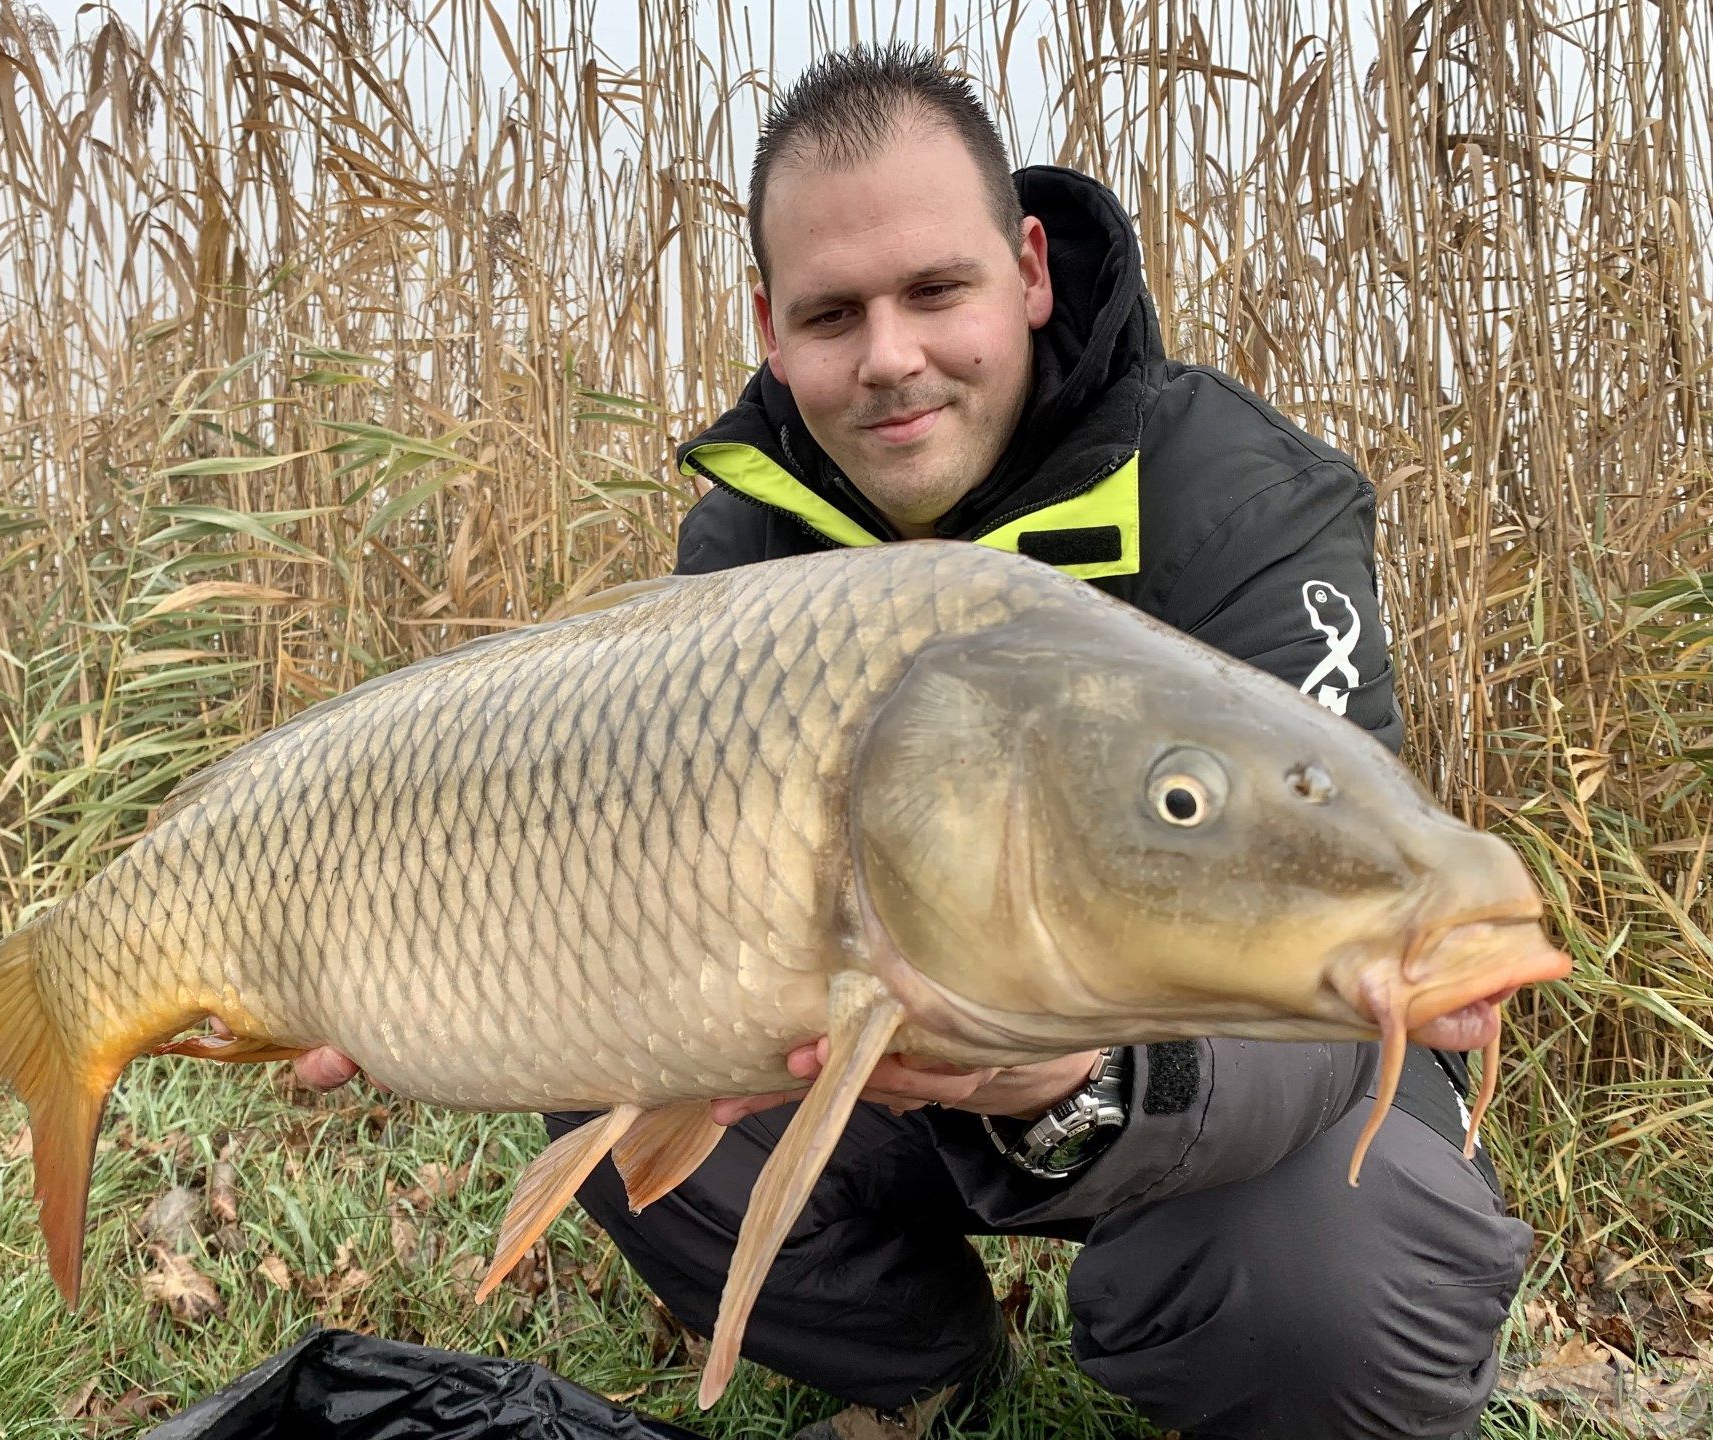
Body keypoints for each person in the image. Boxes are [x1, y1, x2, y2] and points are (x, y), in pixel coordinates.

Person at [273, 45, 1529, 1440]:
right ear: (769, 324)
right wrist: (395, 967)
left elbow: (1346, 1002)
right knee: (602, 1079)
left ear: (1031, 270)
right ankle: (934, 1365)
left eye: (937, 291)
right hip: (891, 1044)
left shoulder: (1239, 505)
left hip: (1234, 1103)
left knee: (1324, 1273)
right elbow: (644, 904)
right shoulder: (748, 534)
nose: (890, 359)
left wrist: (1083, 1082)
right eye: (832, 314)